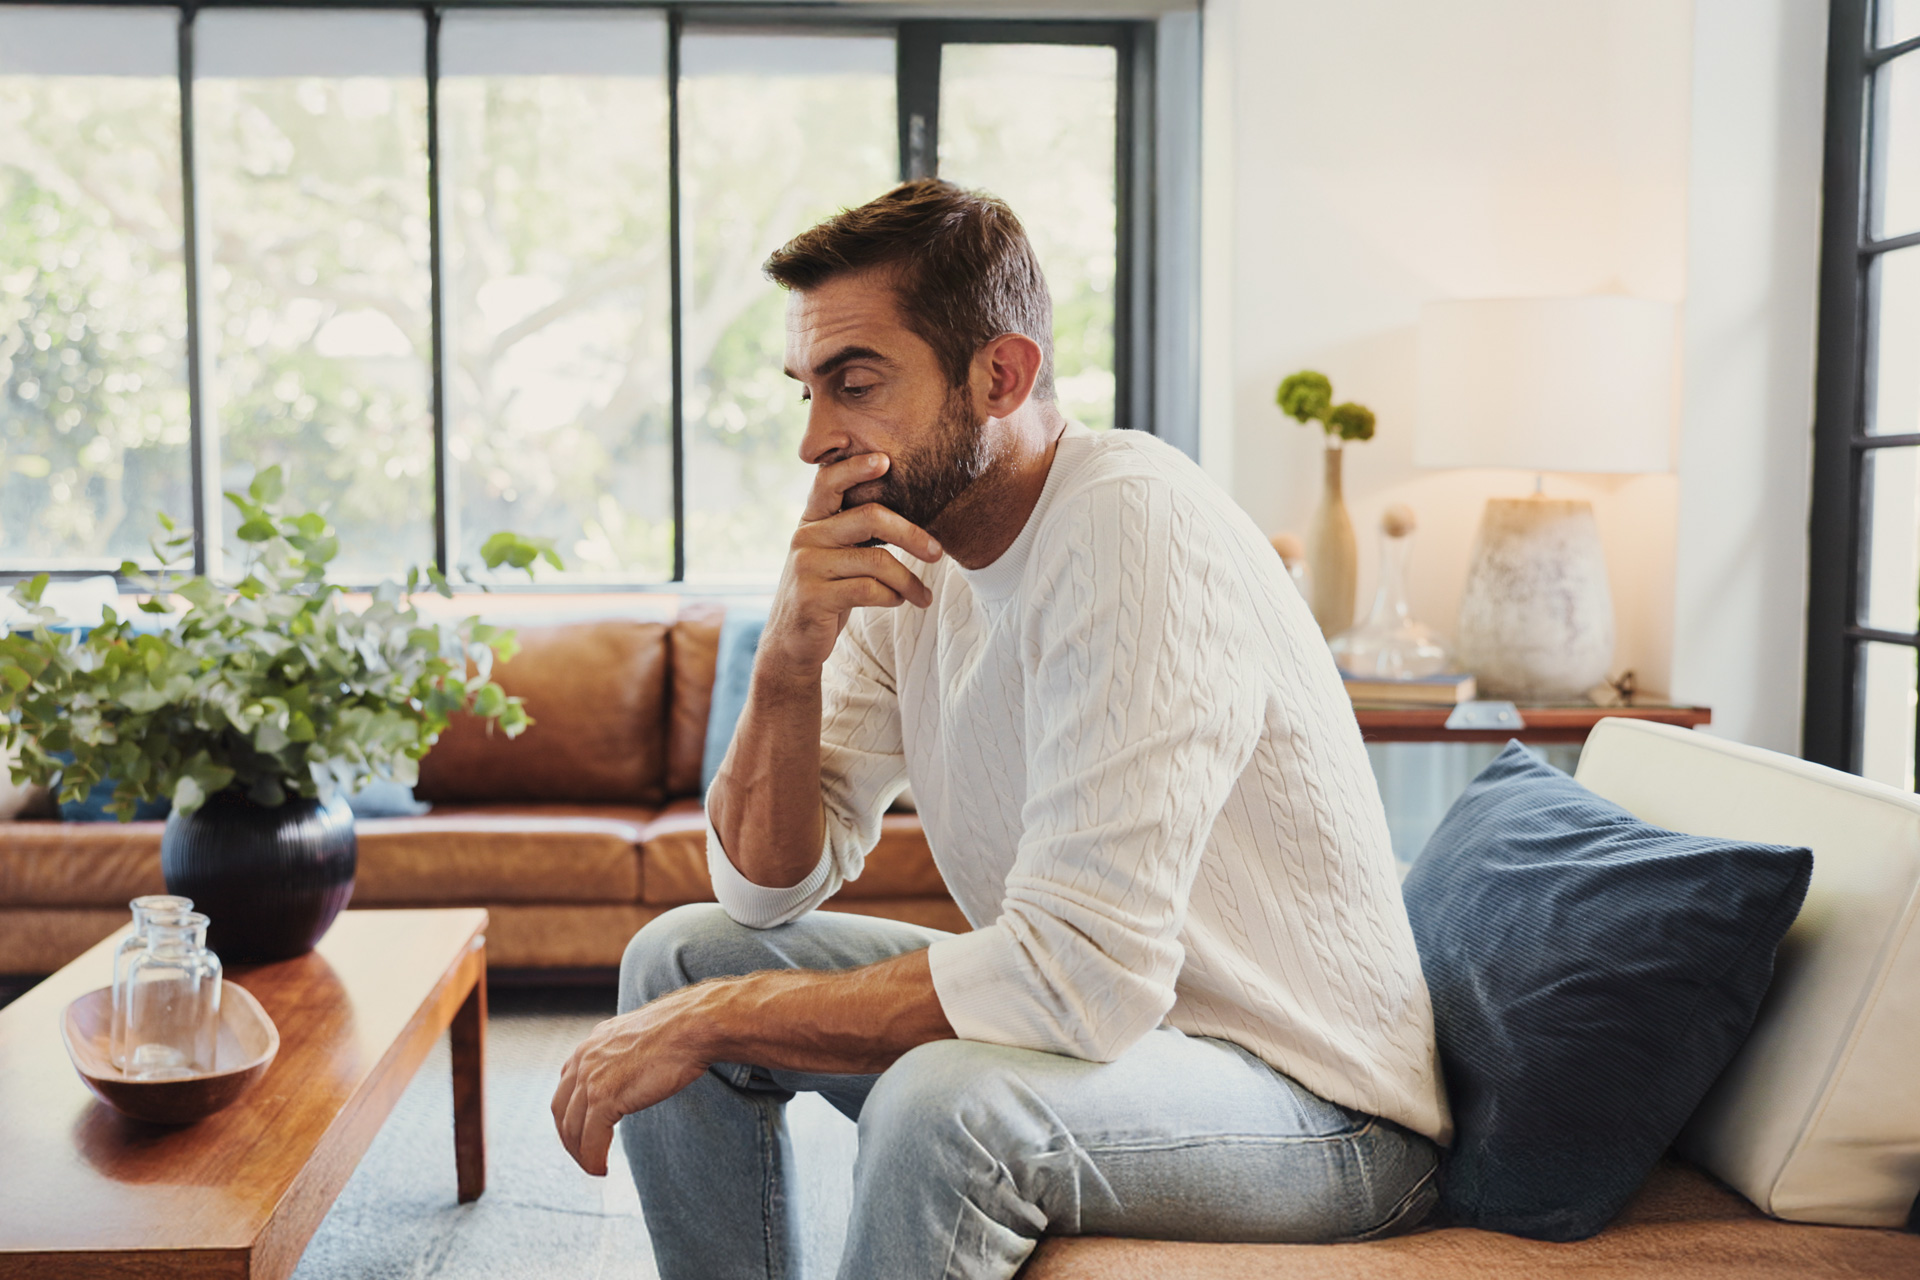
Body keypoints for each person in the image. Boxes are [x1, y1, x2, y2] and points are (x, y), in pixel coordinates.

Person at [551, 179, 1451, 1280]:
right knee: (679, 959)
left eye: (858, 383)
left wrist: (716, 1023)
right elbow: (765, 891)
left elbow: (1079, 978)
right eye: (809, 391)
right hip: (1133, 1042)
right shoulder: (920, 557)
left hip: (1323, 1110)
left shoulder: (1131, 525)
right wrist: (788, 659)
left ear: (1002, 374)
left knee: (944, 1107)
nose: (818, 439)